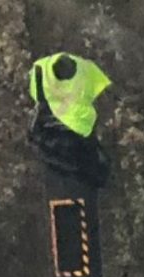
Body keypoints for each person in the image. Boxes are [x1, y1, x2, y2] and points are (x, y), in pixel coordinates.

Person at [28, 53, 112, 188]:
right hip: (75, 126)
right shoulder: (85, 69)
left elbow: (36, 97)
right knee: (86, 159)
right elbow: (101, 90)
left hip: (63, 123)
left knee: (50, 149)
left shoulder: (40, 69)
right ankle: (87, 178)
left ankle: (79, 176)